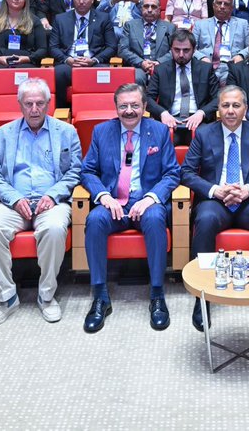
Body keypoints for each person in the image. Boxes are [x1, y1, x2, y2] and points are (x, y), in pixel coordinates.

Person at [181, 85, 249, 333]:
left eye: (235, 105)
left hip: (248, 200)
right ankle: (202, 296)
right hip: (215, 201)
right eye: (225, 105)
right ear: (218, 109)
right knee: (204, 220)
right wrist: (214, 190)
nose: (230, 111)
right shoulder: (204, 134)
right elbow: (185, 173)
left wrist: (248, 189)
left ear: (245, 109)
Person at [0, 78, 82, 326]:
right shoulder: (1, 135)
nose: (34, 109)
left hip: (52, 201)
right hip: (13, 202)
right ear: (20, 105)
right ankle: (6, 297)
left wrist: (53, 195)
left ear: (48, 103)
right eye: (28, 104)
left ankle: (47, 296)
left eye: (39, 103)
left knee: (55, 228)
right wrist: (14, 199)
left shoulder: (66, 132)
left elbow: (75, 172)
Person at [80, 83, 180, 333]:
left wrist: (151, 198)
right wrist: (103, 196)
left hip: (145, 202)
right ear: (116, 108)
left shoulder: (158, 131)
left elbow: (172, 173)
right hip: (114, 202)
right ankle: (100, 296)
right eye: (123, 106)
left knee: (157, 217)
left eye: (135, 105)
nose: (129, 111)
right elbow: (87, 171)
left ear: (145, 106)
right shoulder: (101, 131)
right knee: (94, 220)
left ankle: (157, 294)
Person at [145, 28, 219, 146]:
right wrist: (163, 113)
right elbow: (147, 99)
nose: (181, 55)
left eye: (186, 50)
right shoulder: (160, 70)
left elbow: (218, 98)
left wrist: (201, 113)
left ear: (194, 50)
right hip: (170, 120)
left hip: (198, 121)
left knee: (203, 143)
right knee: (161, 143)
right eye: (176, 50)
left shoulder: (206, 69)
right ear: (171, 49)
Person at [49, 0, 117, 105]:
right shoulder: (60, 19)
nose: (81, 1)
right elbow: (53, 47)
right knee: (57, 73)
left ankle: (101, 107)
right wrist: (67, 59)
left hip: (93, 63)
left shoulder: (103, 18)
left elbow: (111, 46)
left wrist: (95, 60)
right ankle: (62, 110)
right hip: (69, 64)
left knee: (106, 73)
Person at [193, 0, 249, 83]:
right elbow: (191, 48)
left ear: (232, 8)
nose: (222, 6)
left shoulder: (242, 24)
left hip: (232, 66)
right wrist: (201, 58)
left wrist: (241, 55)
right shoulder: (200, 24)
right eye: (219, 3)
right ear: (213, 5)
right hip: (207, 66)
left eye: (226, 4)